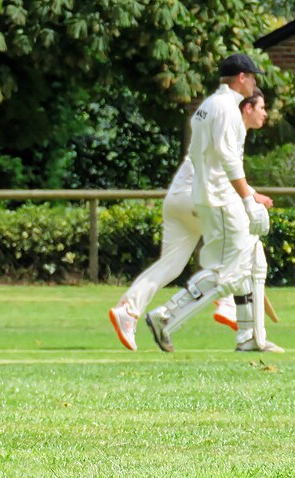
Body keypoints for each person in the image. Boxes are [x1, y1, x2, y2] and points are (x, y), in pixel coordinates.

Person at [109, 87, 271, 351]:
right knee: (239, 247)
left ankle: (128, 310)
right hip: (198, 200)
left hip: (177, 200)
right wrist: (251, 198)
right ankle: (229, 308)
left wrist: (252, 194)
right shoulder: (231, 126)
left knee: (171, 265)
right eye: (262, 107)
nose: (265, 113)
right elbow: (224, 175)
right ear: (247, 108)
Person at [145, 53, 283, 353]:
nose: (255, 83)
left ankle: (249, 337)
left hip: (213, 195)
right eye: (253, 77)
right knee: (227, 270)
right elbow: (228, 159)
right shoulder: (227, 109)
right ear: (241, 78)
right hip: (221, 199)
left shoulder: (207, 107)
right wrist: (247, 199)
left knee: (253, 262)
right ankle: (164, 316)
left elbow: (196, 154)